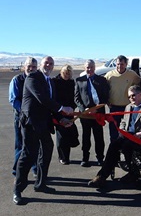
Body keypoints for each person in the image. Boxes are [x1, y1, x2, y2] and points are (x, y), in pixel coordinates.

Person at [13, 56, 74, 205]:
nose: (49, 65)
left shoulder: (50, 81)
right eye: (46, 63)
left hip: (43, 123)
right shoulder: (33, 77)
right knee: (28, 154)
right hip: (31, 122)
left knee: (47, 149)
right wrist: (62, 109)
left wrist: (60, 119)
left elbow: (50, 103)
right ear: (41, 65)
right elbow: (42, 98)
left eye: (51, 63)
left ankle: (40, 183)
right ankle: (17, 190)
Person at [88, 85, 141, 188]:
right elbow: (123, 121)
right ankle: (101, 176)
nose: (131, 99)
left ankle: (133, 173)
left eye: (133, 96)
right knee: (113, 145)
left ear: (140, 94)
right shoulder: (128, 107)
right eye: (129, 97)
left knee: (127, 146)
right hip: (128, 135)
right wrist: (121, 129)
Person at [75, 59, 109, 167]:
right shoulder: (79, 80)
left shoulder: (102, 80)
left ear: (95, 68)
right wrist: (83, 109)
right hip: (85, 115)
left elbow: (105, 96)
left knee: (99, 137)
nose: (89, 69)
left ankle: (100, 158)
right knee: (86, 137)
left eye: (91, 67)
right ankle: (85, 158)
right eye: (87, 67)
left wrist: (97, 108)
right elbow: (76, 98)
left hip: (98, 113)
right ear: (85, 68)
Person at [9, 57, 38, 177]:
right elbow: (13, 99)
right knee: (21, 145)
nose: (31, 68)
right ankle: (17, 171)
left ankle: (35, 169)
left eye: (34, 67)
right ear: (24, 66)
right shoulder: (17, 80)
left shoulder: (37, 80)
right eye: (29, 66)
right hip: (21, 117)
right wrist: (25, 111)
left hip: (35, 118)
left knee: (36, 145)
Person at [104, 55, 140, 142]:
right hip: (114, 108)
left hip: (128, 108)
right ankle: (114, 154)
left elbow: (139, 87)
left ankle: (127, 153)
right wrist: (107, 101)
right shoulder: (109, 75)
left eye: (122, 64)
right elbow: (104, 89)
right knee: (114, 133)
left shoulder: (132, 75)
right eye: (118, 64)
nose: (120, 66)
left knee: (128, 131)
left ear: (126, 64)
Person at [52, 65, 79, 165]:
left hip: (70, 112)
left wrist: (72, 107)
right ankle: (63, 157)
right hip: (58, 112)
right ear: (61, 72)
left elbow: (74, 97)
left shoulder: (71, 82)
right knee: (61, 136)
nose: (67, 75)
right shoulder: (55, 81)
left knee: (69, 133)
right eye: (65, 73)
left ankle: (67, 156)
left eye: (69, 73)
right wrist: (60, 109)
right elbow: (53, 98)